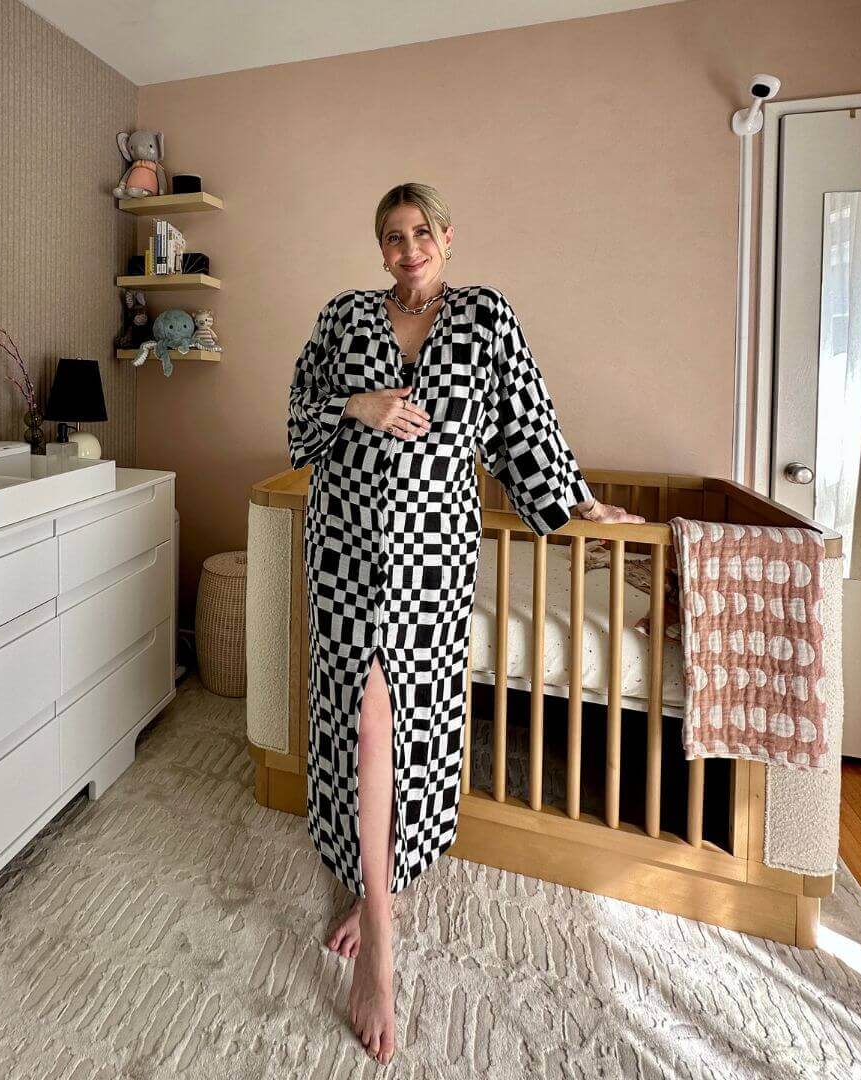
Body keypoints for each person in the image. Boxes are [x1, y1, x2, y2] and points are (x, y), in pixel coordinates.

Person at [286, 182, 644, 1066]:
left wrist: (580, 504)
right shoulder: (341, 318)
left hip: (434, 559)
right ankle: (376, 914)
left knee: (406, 728)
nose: (407, 249)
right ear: (379, 250)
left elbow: (527, 426)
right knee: (360, 717)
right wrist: (353, 405)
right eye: (391, 237)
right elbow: (297, 415)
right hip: (344, 546)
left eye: (420, 233)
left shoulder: (486, 319)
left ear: (446, 238)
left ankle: (384, 889)